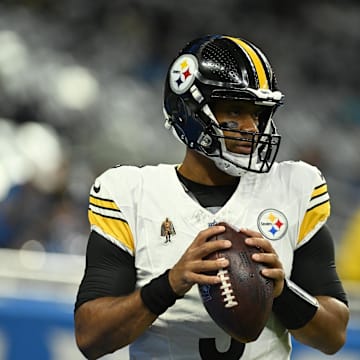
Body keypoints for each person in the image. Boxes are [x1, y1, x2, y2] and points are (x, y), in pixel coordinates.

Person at [74, 34, 349, 359]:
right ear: (190, 111)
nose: (252, 127)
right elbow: (90, 337)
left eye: (259, 114)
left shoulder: (295, 187)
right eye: (236, 110)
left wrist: (282, 293)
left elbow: (334, 335)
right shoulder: (132, 193)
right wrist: (170, 284)